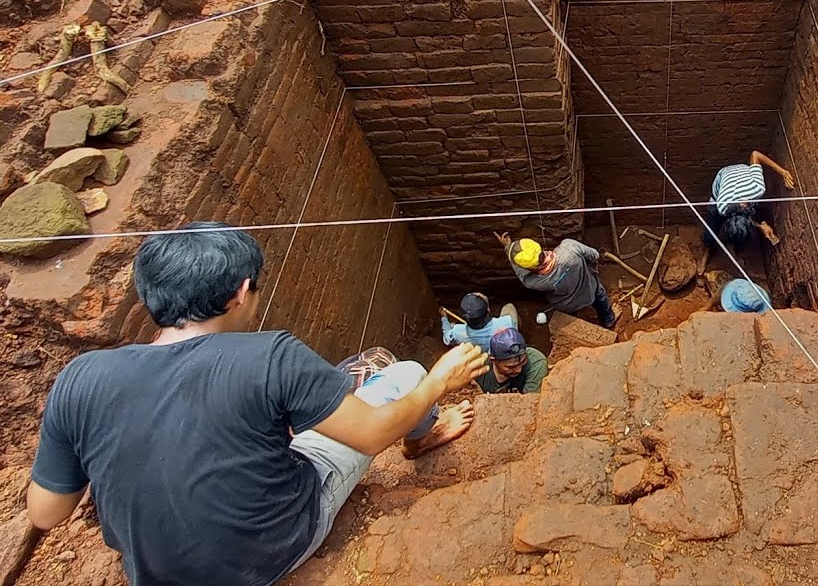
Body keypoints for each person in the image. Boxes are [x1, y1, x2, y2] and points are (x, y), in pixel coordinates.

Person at [26, 222, 489, 586]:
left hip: (154, 573)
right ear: (241, 292)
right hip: (272, 546)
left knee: (329, 390)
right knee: (403, 373)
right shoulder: (270, 356)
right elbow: (372, 433)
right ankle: (422, 435)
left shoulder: (80, 378)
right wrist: (437, 382)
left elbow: (45, 513)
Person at [497, 232, 616, 328]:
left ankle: (577, 324)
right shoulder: (569, 248)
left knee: (571, 315)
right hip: (589, 290)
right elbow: (594, 254)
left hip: (566, 305)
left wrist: (508, 247)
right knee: (600, 296)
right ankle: (608, 320)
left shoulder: (533, 281)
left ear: (529, 268)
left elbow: (521, 273)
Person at [702, 151, 796, 270]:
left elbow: (755, 155)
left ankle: (734, 244)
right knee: (712, 223)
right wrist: (760, 226)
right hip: (724, 176)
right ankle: (707, 250)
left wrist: (783, 172)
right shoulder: (722, 207)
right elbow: (738, 215)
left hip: (743, 171)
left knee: (745, 221)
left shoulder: (757, 188)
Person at [474, 327, 548, 394]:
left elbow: (531, 402)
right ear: (494, 361)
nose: (519, 370)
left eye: (523, 362)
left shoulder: (536, 362)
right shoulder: (479, 369)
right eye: (511, 367)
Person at [441, 292, 519, 351]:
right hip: (501, 354)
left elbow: (447, 339)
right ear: (488, 310)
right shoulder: (506, 323)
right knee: (509, 307)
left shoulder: (457, 332)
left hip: (483, 358)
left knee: (451, 325)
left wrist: (444, 317)